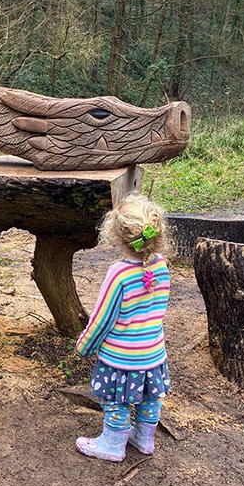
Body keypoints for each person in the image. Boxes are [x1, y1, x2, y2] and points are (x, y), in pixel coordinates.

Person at [74, 193, 171, 462]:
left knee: (115, 400)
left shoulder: (119, 273)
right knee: (150, 398)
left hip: (121, 358)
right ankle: (144, 438)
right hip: (153, 354)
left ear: (117, 236)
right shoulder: (161, 266)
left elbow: (103, 318)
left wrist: (85, 345)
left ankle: (113, 444)